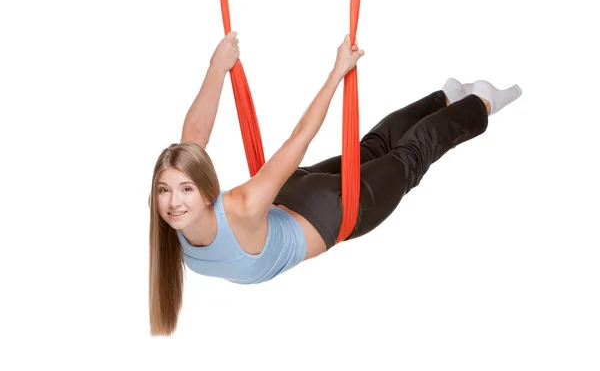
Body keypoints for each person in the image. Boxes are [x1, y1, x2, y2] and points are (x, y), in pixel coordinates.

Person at [148, 31, 522, 335]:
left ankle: (481, 102)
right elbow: (194, 133)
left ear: (205, 188)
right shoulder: (170, 225)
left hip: (330, 209)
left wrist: (337, 72)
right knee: (371, 151)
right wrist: (218, 66)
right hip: (293, 191)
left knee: (408, 160)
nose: (174, 203)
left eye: (185, 190)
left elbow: (299, 139)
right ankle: (447, 96)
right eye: (164, 191)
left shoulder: (242, 206)